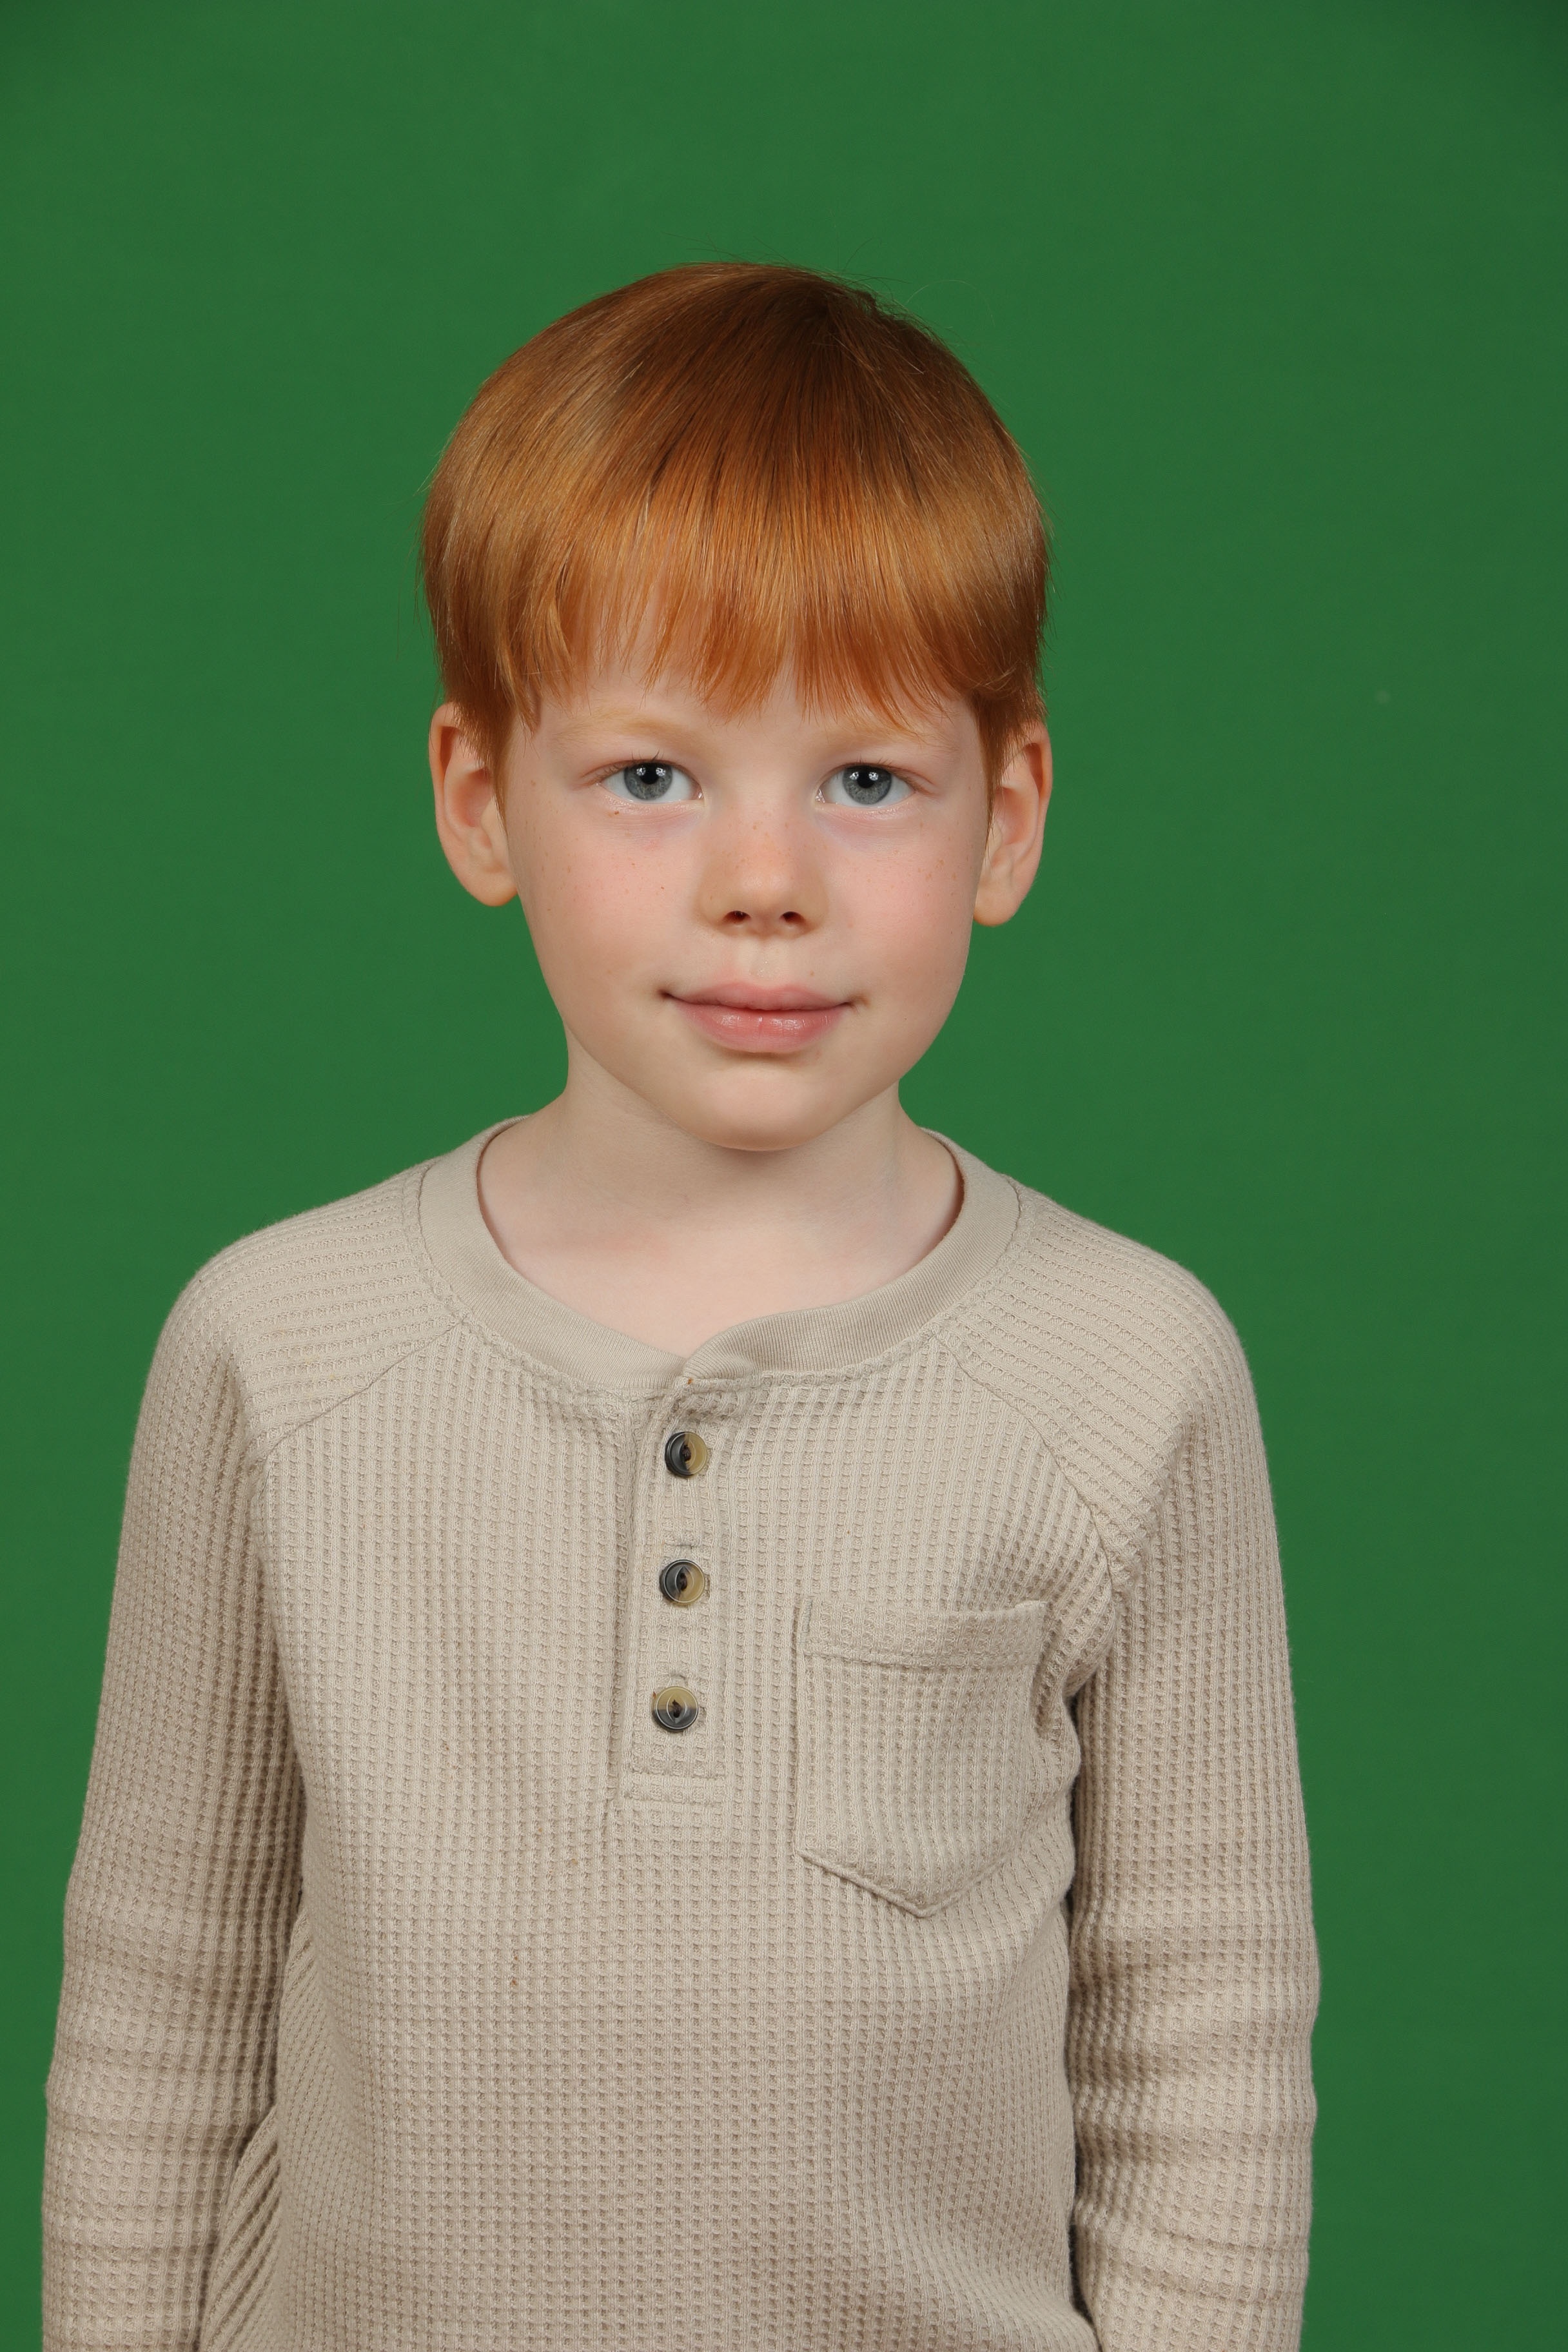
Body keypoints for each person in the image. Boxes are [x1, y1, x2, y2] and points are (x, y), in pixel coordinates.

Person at [43, 262, 1318, 2351]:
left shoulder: (1126, 1371)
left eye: (866, 781)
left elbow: (1204, 2052)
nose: (764, 878)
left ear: (1006, 820)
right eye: (651, 776)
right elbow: (160, 1998)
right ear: (480, 799)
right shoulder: (276, 1353)